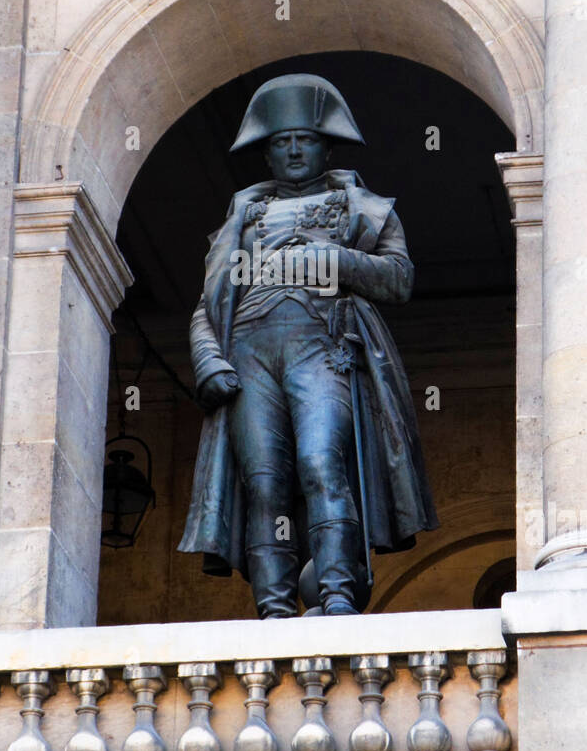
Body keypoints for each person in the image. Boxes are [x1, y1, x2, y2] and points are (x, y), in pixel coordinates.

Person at [177, 73, 437, 616]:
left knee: (321, 463)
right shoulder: (241, 218)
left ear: (325, 145)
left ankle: (340, 597)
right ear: (266, 154)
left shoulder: (360, 208)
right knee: (264, 482)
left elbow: (399, 278)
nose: (293, 149)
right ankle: (273, 610)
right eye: (280, 141)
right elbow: (210, 302)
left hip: (324, 347)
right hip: (248, 352)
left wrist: (331, 259)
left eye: (305, 139)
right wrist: (207, 358)